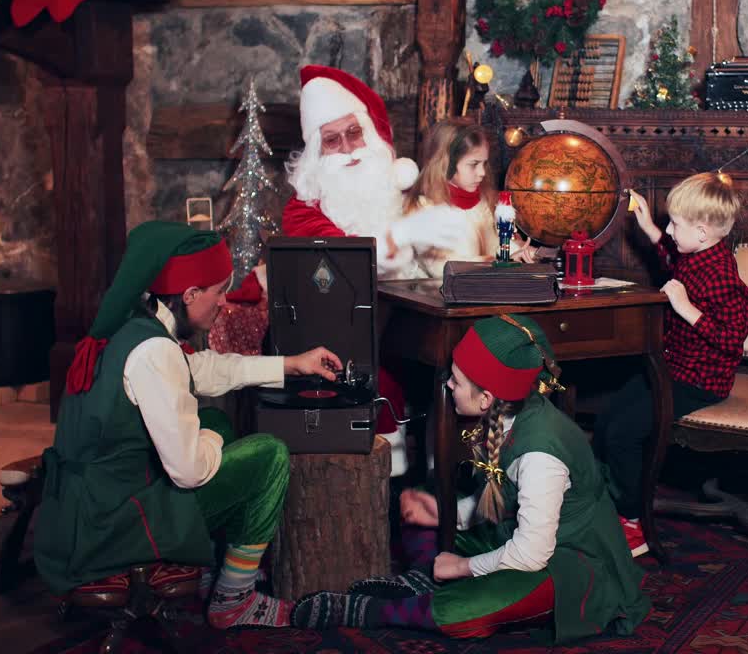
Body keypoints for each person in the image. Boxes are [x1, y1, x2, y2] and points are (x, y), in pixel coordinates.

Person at [32, 221, 343, 630]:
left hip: (95, 504)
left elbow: (197, 369)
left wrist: (291, 364)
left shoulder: (133, 325)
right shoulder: (154, 351)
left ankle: (211, 570)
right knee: (269, 454)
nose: (224, 302)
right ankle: (234, 600)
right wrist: (211, 436)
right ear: (190, 294)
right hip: (113, 525)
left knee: (212, 418)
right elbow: (189, 470)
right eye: (218, 291)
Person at [290, 315, 651, 642]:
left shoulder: (541, 453)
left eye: (457, 380)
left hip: (568, 560)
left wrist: (462, 566)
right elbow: (502, 496)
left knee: (460, 612)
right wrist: (452, 513)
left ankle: (375, 610)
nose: (447, 384)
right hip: (517, 531)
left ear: (485, 399)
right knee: (422, 504)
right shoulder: (506, 413)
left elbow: (530, 554)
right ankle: (424, 581)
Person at [279, 65, 467, 473]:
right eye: (332, 140)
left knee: (462, 370)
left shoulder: (395, 195)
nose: (348, 148)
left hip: (403, 329)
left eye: (354, 132)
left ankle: (450, 494)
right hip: (331, 340)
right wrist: (403, 235)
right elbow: (344, 263)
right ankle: (391, 495)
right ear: (315, 153)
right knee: (387, 384)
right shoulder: (301, 213)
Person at [594, 172, 748, 556]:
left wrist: (688, 310)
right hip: (671, 367)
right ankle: (608, 503)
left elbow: (733, 341)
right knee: (607, 418)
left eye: (675, 224)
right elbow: (674, 256)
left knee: (622, 433)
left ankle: (633, 521)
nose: (669, 229)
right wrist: (649, 229)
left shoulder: (724, 277)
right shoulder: (696, 252)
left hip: (700, 380)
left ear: (701, 232)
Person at [402, 119, 539, 277]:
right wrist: (499, 262)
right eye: (473, 164)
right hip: (437, 297)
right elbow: (442, 267)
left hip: (483, 293)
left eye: (483, 164)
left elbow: (498, 246)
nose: (482, 173)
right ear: (446, 165)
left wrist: (525, 252)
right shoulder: (422, 209)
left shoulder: (483, 203)